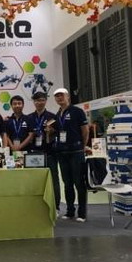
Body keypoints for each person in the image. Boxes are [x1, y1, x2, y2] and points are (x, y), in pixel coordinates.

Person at [52, 88, 90, 222]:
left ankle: (82, 213)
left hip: (76, 152)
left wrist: (82, 146)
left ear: (67, 96)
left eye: (61, 95)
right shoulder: (57, 115)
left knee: (79, 183)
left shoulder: (77, 111)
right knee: (67, 183)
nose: (59, 98)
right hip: (62, 153)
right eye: (57, 96)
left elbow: (85, 130)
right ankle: (70, 211)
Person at [27, 91, 60, 212]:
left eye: (42, 100)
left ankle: (56, 206)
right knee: (35, 180)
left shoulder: (53, 117)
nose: (39, 102)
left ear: (45, 101)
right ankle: (36, 205)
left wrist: (51, 132)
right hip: (34, 154)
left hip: (49, 153)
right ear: (34, 102)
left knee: (53, 180)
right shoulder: (29, 118)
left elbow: (58, 133)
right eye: (37, 100)